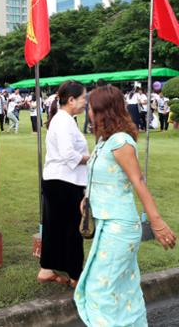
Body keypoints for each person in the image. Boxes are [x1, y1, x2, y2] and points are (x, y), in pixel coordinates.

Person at [75, 85, 176, 326]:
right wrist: (87, 199)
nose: (87, 112)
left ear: (103, 111)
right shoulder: (104, 141)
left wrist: (157, 222)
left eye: (90, 108)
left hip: (119, 227)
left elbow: (138, 181)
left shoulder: (120, 142)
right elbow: (101, 176)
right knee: (124, 287)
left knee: (100, 288)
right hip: (106, 225)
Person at [38, 81, 89, 288]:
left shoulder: (63, 119)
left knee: (55, 228)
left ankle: (47, 269)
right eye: (83, 98)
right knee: (72, 230)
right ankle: (76, 276)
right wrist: (91, 157)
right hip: (65, 182)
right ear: (71, 100)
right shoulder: (65, 121)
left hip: (57, 180)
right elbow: (70, 155)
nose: (85, 102)